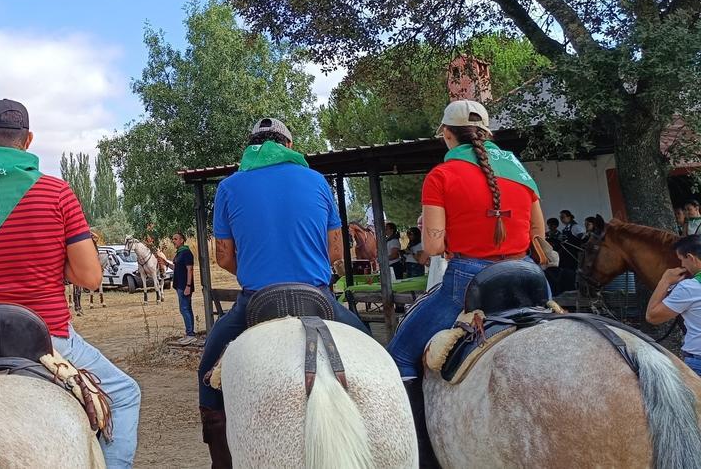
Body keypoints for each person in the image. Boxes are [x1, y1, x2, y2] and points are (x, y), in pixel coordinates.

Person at [0, 99, 141, 468]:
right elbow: (91, 277)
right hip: (46, 336)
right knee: (126, 395)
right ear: (28, 140)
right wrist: (49, 258)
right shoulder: (57, 193)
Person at [199, 117, 370, 468]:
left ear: (253, 146)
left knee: (208, 369)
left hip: (255, 301)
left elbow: (224, 256)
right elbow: (336, 251)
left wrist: (253, 271)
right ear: (288, 146)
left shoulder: (229, 187)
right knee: (371, 348)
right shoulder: (316, 180)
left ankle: (220, 452)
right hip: (318, 296)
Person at [386, 100, 546, 467]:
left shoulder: (440, 176)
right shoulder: (521, 172)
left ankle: (418, 456)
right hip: (527, 281)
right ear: (487, 132)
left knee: (397, 357)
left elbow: (435, 246)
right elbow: (538, 233)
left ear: (447, 134)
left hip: (467, 284)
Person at [646, 235, 701, 377]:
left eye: (681, 259)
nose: (682, 265)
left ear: (691, 257)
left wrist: (665, 281)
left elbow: (652, 316)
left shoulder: (689, 288)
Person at [170, 232, 196, 339]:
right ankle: (190, 332)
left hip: (184, 286)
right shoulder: (179, 253)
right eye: (173, 239)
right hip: (179, 285)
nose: (173, 241)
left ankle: (190, 333)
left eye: (176, 239)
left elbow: (190, 270)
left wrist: (188, 286)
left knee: (184, 309)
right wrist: (166, 264)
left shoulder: (186, 253)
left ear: (182, 240)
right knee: (186, 308)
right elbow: (177, 268)